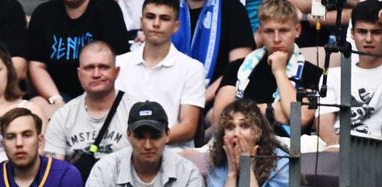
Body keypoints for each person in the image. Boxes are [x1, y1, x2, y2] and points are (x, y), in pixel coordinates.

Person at [80, 101, 202, 187]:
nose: (148, 145)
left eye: (155, 137)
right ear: (128, 135)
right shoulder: (103, 169)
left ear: (167, 135)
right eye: (140, 137)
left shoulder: (190, 174)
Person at [213, 0, 321, 139]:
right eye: (269, 31)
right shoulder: (237, 67)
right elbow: (220, 118)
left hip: (287, 153)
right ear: (260, 32)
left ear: (297, 30)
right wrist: (275, 110)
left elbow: (300, 118)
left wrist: (279, 71)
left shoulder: (312, 73)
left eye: (283, 30)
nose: (276, 39)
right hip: (239, 146)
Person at [318, 0, 382, 144]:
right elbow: (324, 124)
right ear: (352, 34)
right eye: (362, 31)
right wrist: (342, 153)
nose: (368, 39)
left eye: (376, 32)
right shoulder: (335, 76)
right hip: (339, 153)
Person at [114, 0, 205, 147]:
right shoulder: (119, 64)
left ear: (176, 26)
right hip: (124, 152)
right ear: (141, 21)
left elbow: (188, 127)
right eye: (150, 17)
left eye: (164, 18)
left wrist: (149, 142)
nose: (156, 24)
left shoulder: (192, 68)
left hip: (173, 154)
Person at [26, 0, 130, 108]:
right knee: (37, 105)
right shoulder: (43, 13)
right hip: (58, 93)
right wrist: (57, 100)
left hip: (100, 92)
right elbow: (37, 65)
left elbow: (120, 60)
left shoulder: (107, 8)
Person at [204, 99, 287, 187]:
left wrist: (246, 168)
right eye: (230, 127)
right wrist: (232, 173)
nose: (236, 133)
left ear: (258, 131)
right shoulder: (218, 162)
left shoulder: (281, 161)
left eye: (244, 126)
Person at [43, 41, 127, 174]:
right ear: (79, 73)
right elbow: (54, 174)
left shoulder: (133, 111)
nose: (96, 74)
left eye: (103, 67)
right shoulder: (63, 117)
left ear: (116, 72)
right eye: (89, 68)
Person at [173, 0, 253, 104]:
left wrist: (197, 101)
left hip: (212, 100)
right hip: (166, 96)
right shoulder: (165, 6)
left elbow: (240, 68)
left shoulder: (233, 7)